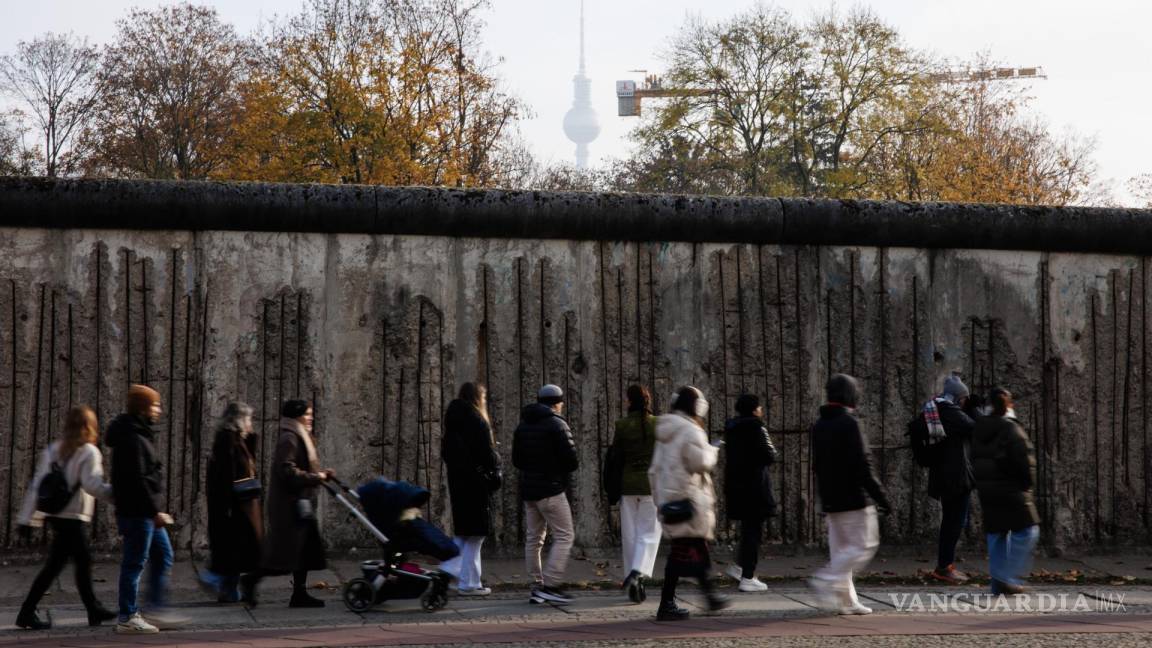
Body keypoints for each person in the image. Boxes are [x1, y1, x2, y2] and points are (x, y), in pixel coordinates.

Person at [14, 406, 117, 630]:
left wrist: (26, 519)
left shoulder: (53, 450)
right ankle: (91, 608)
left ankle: (31, 611)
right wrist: (117, 496)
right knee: (81, 562)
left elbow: (36, 486)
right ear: (90, 426)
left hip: (55, 515)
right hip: (74, 516)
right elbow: (93, 486)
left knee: (60, 565)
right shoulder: (89, 451)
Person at [808, 374, 890, 616]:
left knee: (841, 550)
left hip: (831, 497)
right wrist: (881, 496)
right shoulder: (850, 422)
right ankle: (824, 578)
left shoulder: (819, 425)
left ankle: (847, 601)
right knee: (864, 545)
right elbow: (863, 464)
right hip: (854, 497)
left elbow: (818, 465)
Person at [107, 384, 185, 634]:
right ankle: (128, 616)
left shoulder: (139, 433)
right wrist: (154, 511)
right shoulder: (131, 437)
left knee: (163, 555)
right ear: (142, 407)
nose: (159, 409)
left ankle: (155, 608)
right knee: (135, 563)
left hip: (144, 512)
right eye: (154, 405)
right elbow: (137, 480)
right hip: (138, 513)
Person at [243, 400, 335, 608]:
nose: (311, 418)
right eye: (307, 414)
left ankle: (299, 594)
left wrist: (320, 476)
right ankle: (251, 579)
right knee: (283, 556)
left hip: (299, 503)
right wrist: (315, 476)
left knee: (303, 552)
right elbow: (287, 471)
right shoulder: (290, 438)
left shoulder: (298, 435)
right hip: (289, 506)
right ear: (296, 416)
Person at [649, 386, 729, 621]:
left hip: (670, 499)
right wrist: (713, 449)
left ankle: (708, 596)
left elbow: (654, 470)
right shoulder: (691, 431)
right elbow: (700, 463)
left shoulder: (665, 431)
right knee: (683, 552)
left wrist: (660, 498)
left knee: (693, 549)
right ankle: (667, 604)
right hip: (690, 501)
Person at [512, 384, 578, 605]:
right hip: (551, 489)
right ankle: (551, 584)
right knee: (565, 535)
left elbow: (516, 461)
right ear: (557, 403)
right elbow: (571, 461)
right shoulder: (557, 424)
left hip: (530, 490)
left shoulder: (523, 425)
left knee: (534, 539)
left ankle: (536, 585)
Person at [971, 387, 1040, 595]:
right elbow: (1025, 462)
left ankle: (998, 583)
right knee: (1028, 531)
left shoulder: (979, 428)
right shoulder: (1012, 429)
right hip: (1012, 490)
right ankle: (1007, 577)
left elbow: (975, 458)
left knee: (997, 534)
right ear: (1008, 405)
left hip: (988, 490)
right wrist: (1027, 485)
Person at [440, 383, 501, 596]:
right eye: (483, 396)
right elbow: (487, 453)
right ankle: (467, 581)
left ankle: (453, 571)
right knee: (476, 533)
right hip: (476, 483)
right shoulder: (477, 421)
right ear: (477, 397)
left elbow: (447, 454)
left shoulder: (452, 422)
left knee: (466, 532)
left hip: (458, 482)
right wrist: (495, 464)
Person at [202, 402, 262, 603]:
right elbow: (227, 475)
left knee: (234, 550)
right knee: (232, 549)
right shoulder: (227, 441)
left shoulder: (237, 440)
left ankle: (228, 591)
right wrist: (228, 504)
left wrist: (250, 438)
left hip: (237, 504)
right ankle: (213, 580)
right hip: (232, 505)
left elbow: (247, 466)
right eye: (248, 419)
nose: (250, 423)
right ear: (239, 420)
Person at [921, 374, 976, 585]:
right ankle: (945, 567)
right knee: (954, 522)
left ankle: (946, 565)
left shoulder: (933, 408)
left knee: (951, 521)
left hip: (943, 475)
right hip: (955, 477)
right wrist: (973, 411)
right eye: (963, 398)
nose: (964, 402)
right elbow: (973, 427)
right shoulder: (949, 411)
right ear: (957, 397)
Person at [611, 385, 661, 603]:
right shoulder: (657, 424)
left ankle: (632, 578)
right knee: (649, 533)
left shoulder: (621, 425)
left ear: (629, 401)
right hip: (651, 485)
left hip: (627, 484)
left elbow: (616, 457)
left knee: (630, 536)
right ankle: (638, 573)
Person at [723, 394, 778, 592]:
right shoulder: (757, 427)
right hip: (756, 487)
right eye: (760, 407)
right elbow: (770, 454)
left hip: (737, 486)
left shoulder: (731, 428)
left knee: (748, 530)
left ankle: (739, 567)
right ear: (755, 409)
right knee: (754, 532)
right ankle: (748, 576)